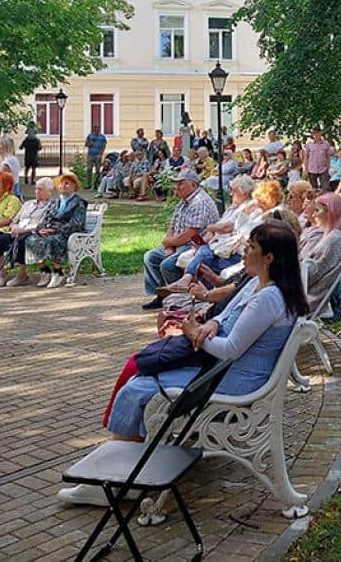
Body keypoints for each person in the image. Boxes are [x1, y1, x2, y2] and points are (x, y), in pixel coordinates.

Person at [58, 221, 310, 507]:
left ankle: (116, 481)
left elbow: (230, 350)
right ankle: (122, 470)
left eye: (251, 247)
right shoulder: (257, 283)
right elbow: (226, 316)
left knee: (136, 390)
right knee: (139, 380)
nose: (244, 251)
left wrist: (195, 335)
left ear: (269, 258)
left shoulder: (268, 298)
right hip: (219, 372)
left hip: (232, 383)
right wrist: (212, 323)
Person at [141, 169, 220, 309]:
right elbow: (173, 225)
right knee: (150, 257)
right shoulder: (184, 201)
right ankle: (161, 295)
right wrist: (168, 246)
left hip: (194, 245)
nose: (176, 187)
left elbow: (191, 233)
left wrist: (168, 243)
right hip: (178, 243)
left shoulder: (199, 202)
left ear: (193, 185)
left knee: (168, 265)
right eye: (176, 184)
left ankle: (181, 298)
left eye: (180, 184)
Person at [23, 170, 88, 288]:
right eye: (62, 183)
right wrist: (41, 229)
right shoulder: (56, 201)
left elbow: (76, 223)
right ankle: (44, 270)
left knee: (52, 240)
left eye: (67, 183)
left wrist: (55, 231)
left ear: (74, 186)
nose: (63, 185)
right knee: (30, 239)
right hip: (51, 231)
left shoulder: (78, 203)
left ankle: (58, 272)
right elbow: (46, 218)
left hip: (68, 233)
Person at [0, 177, 54, 288]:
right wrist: (14, 227)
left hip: (33, 232)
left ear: (49, 191)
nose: (37, 191)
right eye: (36, 188)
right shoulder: (28, 204)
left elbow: (43, 223)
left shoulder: (50, 206)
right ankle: (1, 274)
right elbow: (15, 219)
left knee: (22, 241)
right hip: (17, 231)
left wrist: (24, 230)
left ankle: (25, 274)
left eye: (40, 189)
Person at [303, 193, 341, 318]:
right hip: (306, 295)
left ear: (330, 212)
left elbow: (310, 277)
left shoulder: (333, 241)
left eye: (317, 211)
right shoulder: (334, 236)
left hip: (307, 300)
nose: (313, 215)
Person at [304, 127, 334, 192]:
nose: (316, 135)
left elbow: (328, 156)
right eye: (314, 133)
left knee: (324, 188)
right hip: (311, 169)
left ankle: (324, 201)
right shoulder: (309, 144)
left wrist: (327, 168)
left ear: (321, 133)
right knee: (313, 189)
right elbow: (306, 157)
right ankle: (314, 201)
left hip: (323, 169)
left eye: (317, 133)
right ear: (312, 135)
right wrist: (306, 169)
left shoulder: (326, 143)